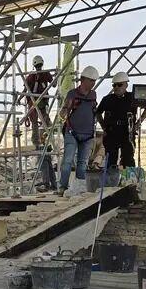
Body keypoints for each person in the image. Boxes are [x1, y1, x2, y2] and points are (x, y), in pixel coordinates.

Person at [58, 65, 100, 194]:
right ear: (83, 79)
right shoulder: (72, 94)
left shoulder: (93, 94)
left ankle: (80, 189)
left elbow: (94, 111)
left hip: (87, 135)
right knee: (67, 161)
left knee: (82, 164)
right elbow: (62, 114)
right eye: (91, 80)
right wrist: (67, 108)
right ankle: (63, 187)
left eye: (94, 81)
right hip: (72, 132)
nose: (93, 83)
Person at [96, 72, 146, 170]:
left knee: (128, 160)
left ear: (126, 85)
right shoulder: (107, 99)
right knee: (110, 160)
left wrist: (138, 123)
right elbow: (98, 113)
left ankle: (129, 181)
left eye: (119, 84)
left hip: (127, 133)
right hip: (111, 132)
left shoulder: (132, 97)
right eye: (114, 85)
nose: (116, 87)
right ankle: (111, 182)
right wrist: (104, 127)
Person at [23, 55, 54, 148]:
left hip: (36, 102)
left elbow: (25, 90)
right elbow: (54, 84)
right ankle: (43, 140)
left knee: (38, 123)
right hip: (38, 102)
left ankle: (39, 141)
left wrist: (19, 99)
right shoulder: (42, 74)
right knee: (44, 122)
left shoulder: (31, 76)